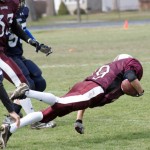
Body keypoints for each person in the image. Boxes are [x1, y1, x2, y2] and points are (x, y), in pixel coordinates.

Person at [0, 54, 144, 148]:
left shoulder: (112, 69)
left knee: (45, 115)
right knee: (58, 102)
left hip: (85, 87)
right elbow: (131, 77)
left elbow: (85, 102)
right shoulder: (130, 64)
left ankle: (9, 130)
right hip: (94, 89)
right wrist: (140, 92)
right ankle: (27, 91)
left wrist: (79, 120)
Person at [0, 0, 51, 137]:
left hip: (4, 52)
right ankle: (29, 119)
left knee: (28, 83)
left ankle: (18, 115)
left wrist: (31, 41)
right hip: (5, 53)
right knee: (23, 83)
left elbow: (15, 27)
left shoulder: (12, 4)